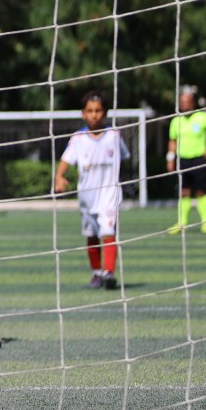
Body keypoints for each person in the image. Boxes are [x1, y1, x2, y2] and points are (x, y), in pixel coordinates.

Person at [54, 90, 131, 290]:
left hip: (109, 194)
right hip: (87, 196)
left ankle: (109, 273)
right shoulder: (79, 137)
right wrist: (59, 176)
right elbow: (66, 160)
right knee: (91, 234)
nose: (94, 114)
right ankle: (97, 272)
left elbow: (123, 157)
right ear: (83, 113)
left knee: (108, 231)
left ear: (105, 113)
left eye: (98, 111)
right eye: (90, 111)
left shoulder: (114, 135)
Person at [167, 88, 206, 235]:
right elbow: (172, 141)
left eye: (187, 102)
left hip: (199, 159)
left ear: (193, 103)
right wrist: (170, 158)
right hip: (182, 160)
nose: (185, 105)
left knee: (201, 191)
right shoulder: (175, 120)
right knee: (184, 192)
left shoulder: (203, 117)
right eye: (182, 102)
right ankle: (182, 223)